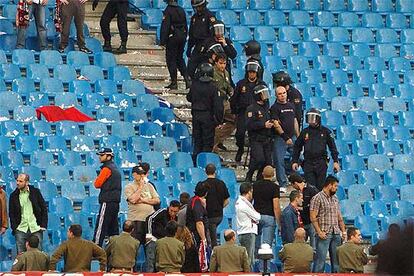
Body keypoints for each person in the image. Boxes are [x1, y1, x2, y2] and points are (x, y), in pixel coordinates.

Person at [292, 108, 340, 190]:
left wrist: (335, 161)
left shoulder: (325, 132)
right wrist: (295, 161)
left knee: (321, 186)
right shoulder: (305, 132)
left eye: (312, 117)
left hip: (321, 162)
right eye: (309, 118)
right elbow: (297, 147)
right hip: (308, 162)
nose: (311, 120)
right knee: (311, 187)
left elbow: (332, 147)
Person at [186, 63, 224, 161]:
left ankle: (196, 161)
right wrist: (219, 121)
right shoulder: (213, 88)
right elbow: (218, 106)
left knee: (197, 141)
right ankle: (204, 162)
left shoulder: (194, 85)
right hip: (208, 117)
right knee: (207, 142)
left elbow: (189, 97)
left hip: (196, 115)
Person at [230, 60, 265, 162]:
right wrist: (234, 111)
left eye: (253, 72)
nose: (251, 74)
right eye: (250, 72)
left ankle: (253, 156)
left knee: (254, 135)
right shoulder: (241, 84)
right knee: (240, 134)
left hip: (256, 113)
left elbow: (265, 101)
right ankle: (240, 149)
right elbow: (234, 99)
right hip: (243, 112)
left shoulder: (262, 85)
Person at [310, 175, 346, 273]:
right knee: (320, 262)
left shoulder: (335, 198)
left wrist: (343, 231)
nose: (336, 188)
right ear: (329, 185)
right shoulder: (317, 198)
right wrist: (319, 231)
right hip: (324, 233)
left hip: (336, 232)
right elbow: (313, 217)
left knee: (337, 263)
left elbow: (339, 216)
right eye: (335, 186)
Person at [9, 173, 47, 254]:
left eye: (20, 181)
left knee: (38, 256)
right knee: (21, 257)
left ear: (27, 183)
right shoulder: (13, 196)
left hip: (35, 228)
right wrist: (15, 228)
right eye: (17, 180)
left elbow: (43, 208)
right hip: (20, 229)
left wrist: (43, 225)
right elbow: (11, 214)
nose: (17, 183)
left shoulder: (36, 192)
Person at [270, 86, 300, 187]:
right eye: (280, 94)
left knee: (298, 157)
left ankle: (293, 177)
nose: (282, 95)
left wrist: (298, 136)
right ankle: (282, 183)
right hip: (280, 138)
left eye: (284, 93)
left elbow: (295, 121)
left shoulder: (291, 105)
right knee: (279, 160)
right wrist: (285, 137)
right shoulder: (274, 108)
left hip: (293, 136)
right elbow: (276, 124)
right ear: (276, 95)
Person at [93, 148, 122, 247]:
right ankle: (115, 249)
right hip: (115, 201)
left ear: (109, 156)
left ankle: (95, 248)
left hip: (107, 200)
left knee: (101, 226)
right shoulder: (116, 169)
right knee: (113, 228)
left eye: (102, 155)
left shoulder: (106, 169)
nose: (100, 157)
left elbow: (97, 184)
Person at [196, 163, 229, 248]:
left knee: (211, 238)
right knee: (212, 235)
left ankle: (212, 252)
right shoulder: (221, 183)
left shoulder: (202, 185)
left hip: (207, 215)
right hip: (219, 215)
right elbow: (227, 201)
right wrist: (220, 207)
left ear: (205, 172)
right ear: (215, 171)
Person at [124, 165, 160, 245]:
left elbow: (157, 200)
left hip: (149, 220)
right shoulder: (129, 187)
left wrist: (143, 200)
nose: (142, 176)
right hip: (136, 219)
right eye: (140, 174)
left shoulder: (149, 185)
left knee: (149, 243)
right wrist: (140, 187)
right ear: (134, 175)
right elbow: (133, 200)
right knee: (135, 243)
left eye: (143, 174)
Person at [245, 84, 273, 182]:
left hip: (267, 138)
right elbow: (249, 125)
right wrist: (263, 125)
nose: (265, 96)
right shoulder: (251, 109)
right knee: (259, 159)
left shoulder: (267, 107)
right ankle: (250, 174)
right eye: (262, 94)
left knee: (268, 162)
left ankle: (260, 178)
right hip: (256, 138)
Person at [160, 0, 190, 90]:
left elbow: (165, 26)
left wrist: (163, 41)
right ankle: (187, 79)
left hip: (173, 37)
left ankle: (174, 82)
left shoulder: (168, 10)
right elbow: (185, 25)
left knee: (171, 59)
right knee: (180, 58)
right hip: (182, 36)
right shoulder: (181, 10)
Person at [145, 200, 180, 272]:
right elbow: (149, 219)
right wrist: (149, 234)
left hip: (165, 242)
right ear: (169, 207)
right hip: (154, 239)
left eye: (175, 212)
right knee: (151, 260)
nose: (173, 213)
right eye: (171, 210)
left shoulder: (178, 217)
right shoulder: (162, 212)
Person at [253, 166, 281, 252]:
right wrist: (279, 222)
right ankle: (265, 265)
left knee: (255, 244)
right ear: (273, 175)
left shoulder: (255, 185)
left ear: (262, 174)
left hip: (256, 215)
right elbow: (276, 206)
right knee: (266, 246)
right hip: (269, 216)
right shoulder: (275, 187)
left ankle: (255, 263)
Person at [202, 20, 237, 87]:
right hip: (212, 68)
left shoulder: (227, 41)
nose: (219, 33)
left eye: (221, 30)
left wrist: (225, 45)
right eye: (217, 30)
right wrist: (210, 57)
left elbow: (233, 55)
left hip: (225, 68)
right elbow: (201, 55)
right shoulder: (208, 41)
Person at [212, 52, 235, 153]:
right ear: (216, 63)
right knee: (216, 123)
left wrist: (231, 92)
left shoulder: (226, 72)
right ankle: (214, 145)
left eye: (224, 63)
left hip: (226, 101)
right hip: (216, 102)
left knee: (235, 119)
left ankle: (219, 138)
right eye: (220, 63)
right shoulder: (212, 72)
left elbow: (228, 85)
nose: (222, 65)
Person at [186, 0, 216, 79]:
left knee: (204, 68)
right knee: (190, 67)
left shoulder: (210, 16)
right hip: (197, 46)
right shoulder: (194, 18)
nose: (197, 9)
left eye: (198, 7)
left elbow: (212, 35)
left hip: (207, 47)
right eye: (196, 7)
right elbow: (191, 34)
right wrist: (189, 48)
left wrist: (205, 45)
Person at [289, 173, 319, 248]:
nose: (293, 187)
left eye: (293, 185)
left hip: (311, 221)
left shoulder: (312, 190)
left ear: (295, 183)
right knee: (300, 245)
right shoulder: (297, 193)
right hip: (301, 221)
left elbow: (316, 206)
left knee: (313, 245)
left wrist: (301, 208)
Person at [235, 182, 260, 269]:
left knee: (249, 259)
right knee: (248, 260)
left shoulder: (242, 203)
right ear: (249, 192)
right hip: (247, 233)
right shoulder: (243, 205)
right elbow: (257, 217)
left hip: (246, 232)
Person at [185, 183, 209, 272]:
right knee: (197, 258)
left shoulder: (194, 200)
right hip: (195, 234)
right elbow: (199, 222)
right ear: (206, 193)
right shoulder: (196, 202)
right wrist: (203, 239)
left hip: (192, 233)